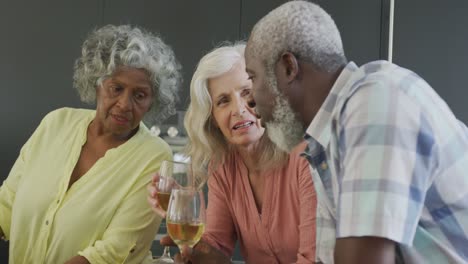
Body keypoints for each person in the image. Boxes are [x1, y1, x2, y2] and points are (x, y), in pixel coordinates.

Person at [244, 1, 468, 263]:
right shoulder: (325, 142)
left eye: (253, 77)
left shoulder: (375, 104)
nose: (250, 99)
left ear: (288, 68)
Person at [0, 24, 181, 263]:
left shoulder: (154, 155)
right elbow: (7, 203)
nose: (125, 104)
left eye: (139, 95)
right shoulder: (56, 122)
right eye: (116, 88)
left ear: (152, 101)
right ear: (97, 84)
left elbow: (114, 251)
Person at [147, 43, 316, 264]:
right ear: (213, 119)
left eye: (247, 93)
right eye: (223, 101)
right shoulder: (223, 166)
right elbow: (215, 252)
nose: (238, 109)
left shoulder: (306, 156)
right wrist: (183, 211)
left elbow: (315, 259)